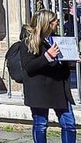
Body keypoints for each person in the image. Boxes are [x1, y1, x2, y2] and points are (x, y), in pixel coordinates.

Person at [23, 9, 77, 143]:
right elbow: (29, 67)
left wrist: (71, 61)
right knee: (41, 124)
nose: (57, 22)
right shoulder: (29, 41)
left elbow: (61, 62)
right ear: (46, 23)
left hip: (59, 88)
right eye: (54, 20)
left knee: (69, 124)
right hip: (40, 89)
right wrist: (47, 56)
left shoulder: (57, 39)